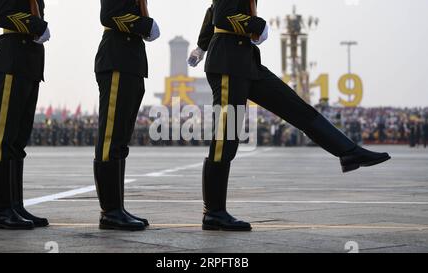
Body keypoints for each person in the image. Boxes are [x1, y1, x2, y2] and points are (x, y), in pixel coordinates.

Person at [188, 0, 391, 231]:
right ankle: (213, 213)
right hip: (227, 63)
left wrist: (201, 47)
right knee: (226, 139)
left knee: (295, 107)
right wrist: (258, 24)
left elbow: (212, 11)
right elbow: (221, 16)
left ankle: (349, 152)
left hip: (246, 62)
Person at [93, 0, 160, 231]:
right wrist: (143, 25)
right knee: (110, 139)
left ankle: (117, 208)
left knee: (120, 140)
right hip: (116, 58)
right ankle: (109, 211)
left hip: (131, 60)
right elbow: (109, 16)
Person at [0, 0, 50, 229]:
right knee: (3, 140)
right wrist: (35, 24)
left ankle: (15, 205)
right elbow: (0, 15)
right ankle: (1, 210)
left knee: (17, 141)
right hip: (12, 59)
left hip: (29, 62)